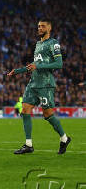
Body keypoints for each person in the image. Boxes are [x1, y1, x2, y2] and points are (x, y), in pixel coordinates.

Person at [8, 20, 71, 155]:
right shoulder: (38, 44)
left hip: (45, 84)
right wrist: (18, 71)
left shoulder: (53, 43)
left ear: (49, 27)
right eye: (38, 26)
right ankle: (28, 145)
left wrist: (39, 66)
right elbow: (35, 64)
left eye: (43, 26)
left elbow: (59, 64)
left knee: (48, 114)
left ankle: (64, 138)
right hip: (33, 83)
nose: (40, 28)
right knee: (25, 110)